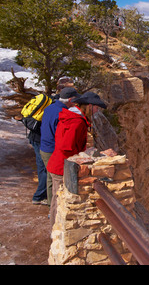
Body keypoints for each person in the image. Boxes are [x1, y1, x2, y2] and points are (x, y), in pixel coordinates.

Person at [47, 91, 107, 226]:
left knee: (58, 199)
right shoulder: (76, 122)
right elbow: (66, 146)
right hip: (61, 167)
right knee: (58, 202)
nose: (97, 111)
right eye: (96, 108)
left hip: (58, 163)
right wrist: (81, 157)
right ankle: (54, 231)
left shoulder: (72, 117)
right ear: (89, 106)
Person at [40, 87, 81, 207]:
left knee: (50, 177)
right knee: (55, 181)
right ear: (70, 99)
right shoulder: (62, 113)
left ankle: (50, 204)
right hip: (53, 150)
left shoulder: (49, 108)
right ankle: (54, 208)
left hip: (44, 147)